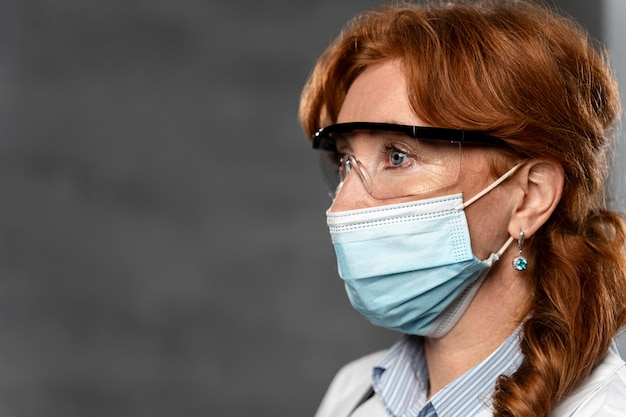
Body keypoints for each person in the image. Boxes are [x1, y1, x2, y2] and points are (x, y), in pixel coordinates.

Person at [298, 1, 626, 416]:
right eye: (346, 161)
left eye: (397, 156)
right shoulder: (354, 393)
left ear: (529, 197)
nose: (343, 206)